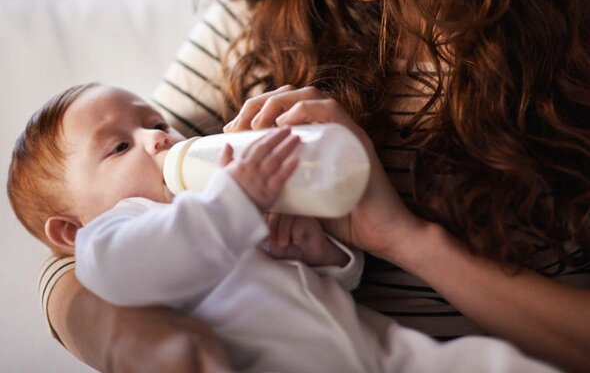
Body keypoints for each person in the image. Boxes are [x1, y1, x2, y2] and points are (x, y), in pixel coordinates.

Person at [37, 0, 590, 372]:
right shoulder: (259, 24)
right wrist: (126, 338)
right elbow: (82, 223)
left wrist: (404, 239)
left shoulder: (574, 49)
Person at [8, 82, 557, 373]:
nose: (158, 139)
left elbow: (326, 294)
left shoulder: (217, 201)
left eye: (156, 123)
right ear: (70, 232)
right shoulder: (113, 236)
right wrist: (232, 204)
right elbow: (136, 269)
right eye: (120, 146)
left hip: (381, 355)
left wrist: (323, 257)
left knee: (486, 363)